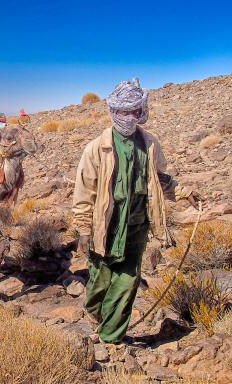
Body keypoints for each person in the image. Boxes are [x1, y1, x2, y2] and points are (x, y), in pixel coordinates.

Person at [72, 78, 201, 344]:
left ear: (141, 112)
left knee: (127, 281)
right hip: (106, 227)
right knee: (99, 281)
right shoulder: (97, 148)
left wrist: (186, 193)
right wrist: (84, 229)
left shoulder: (150, 143)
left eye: (134, 111)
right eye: (123, 111)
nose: (129, 117)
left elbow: (161, 179)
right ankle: (99, 316)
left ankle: (112, 337)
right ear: (113, 112)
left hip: (137, 225)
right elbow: (84, 193)